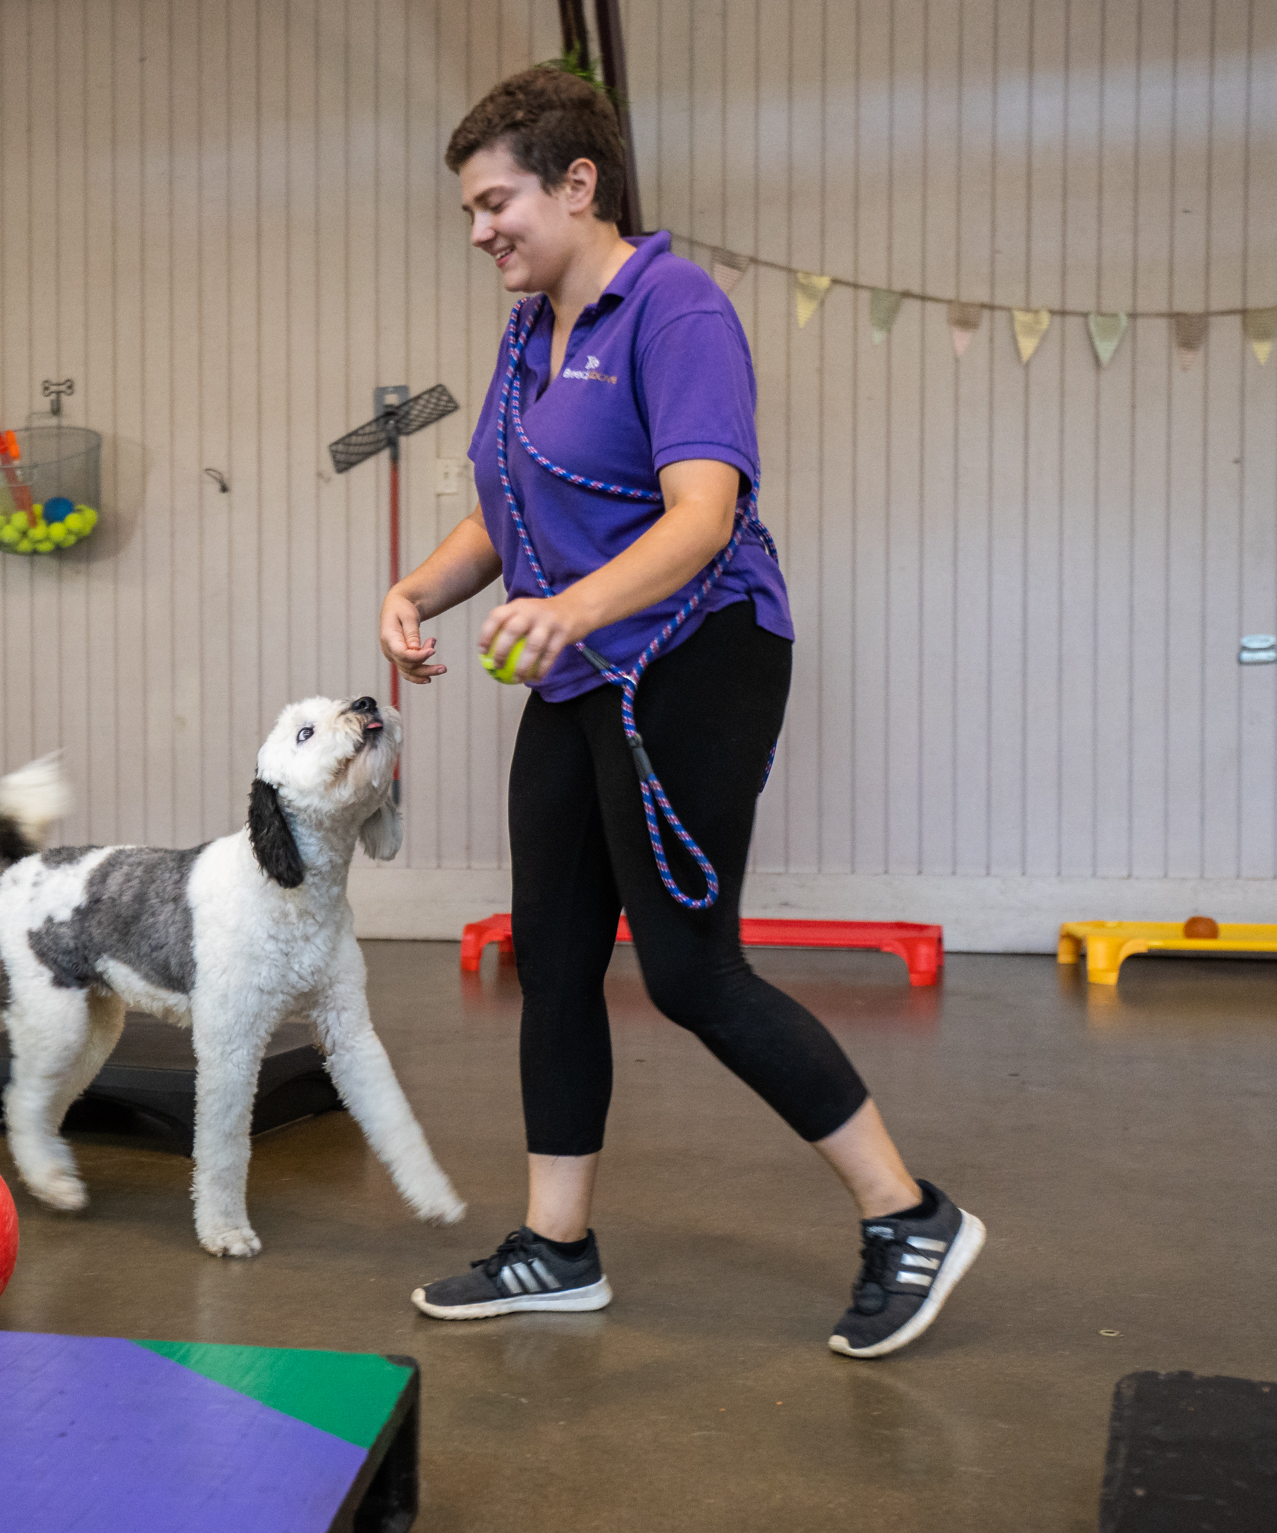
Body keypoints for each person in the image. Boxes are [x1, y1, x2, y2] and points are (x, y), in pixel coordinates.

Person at [380, 66, 982, 1358]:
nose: (481, 228)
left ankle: (909, 1213)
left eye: (498, 202)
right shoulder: (529, 329)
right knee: (553, 956)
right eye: (472, 209)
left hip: (695, 655)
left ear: (577, 183)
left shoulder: (677, 306)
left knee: (693, 971)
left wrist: (573, 608)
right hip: (580, 663)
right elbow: (507, 501)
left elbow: (702, 513)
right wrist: (420, 589)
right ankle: (557, 1245)